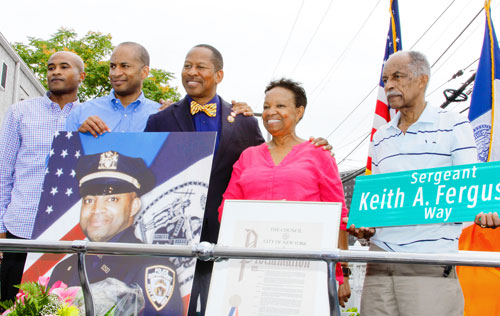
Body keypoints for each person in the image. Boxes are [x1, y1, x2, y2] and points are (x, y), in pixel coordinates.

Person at [145, 45, 332, 315]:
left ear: (219, 75)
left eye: (200, 67)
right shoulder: (160, 120)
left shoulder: (244, 122)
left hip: (229, 241)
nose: (192, 72)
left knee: (223, 307)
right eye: (187, 66)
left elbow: (265, 166)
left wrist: (319, 147)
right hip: (172, 238)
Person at [347, 51, 479, 316]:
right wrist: (366, 225)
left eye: (398, 77)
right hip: (380, 257)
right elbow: (381, 198)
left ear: (422, 80)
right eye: (385, 79)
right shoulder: (381, 136)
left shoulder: (453, 124)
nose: (389, 86)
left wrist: (485, 210)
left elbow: (471, 188)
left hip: (429, 260)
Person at [218, 78, 351, 307]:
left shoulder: (319, 155)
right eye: (267, 106)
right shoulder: (248, 156)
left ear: (299, 112)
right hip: (251, 267)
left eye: (280, 106)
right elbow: (226, 212)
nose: (271, 112)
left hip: (305, 269)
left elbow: (338, 217)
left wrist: (343, 275)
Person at [50, 150, 182, 315]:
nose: (97, 210)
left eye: (112, 199)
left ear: (134, 206)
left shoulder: (152, 269)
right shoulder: (65, 269)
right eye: (89, 200)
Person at [0, 51, 85, 302]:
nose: (55, 72)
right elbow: (4, 172)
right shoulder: (20, 112)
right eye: (50, 67)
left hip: (67, 229)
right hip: (20, 228)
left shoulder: (90, 117)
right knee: (10, 302)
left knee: (59, 305)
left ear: (81, 76)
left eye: (63, 67)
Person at [65, 42, 160, 135]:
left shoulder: (161, 115)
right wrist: (79, 137)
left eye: (125, 66)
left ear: (144, 72)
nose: (116, 73)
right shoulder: (80, 113)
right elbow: (63, 149)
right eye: (113, 66)